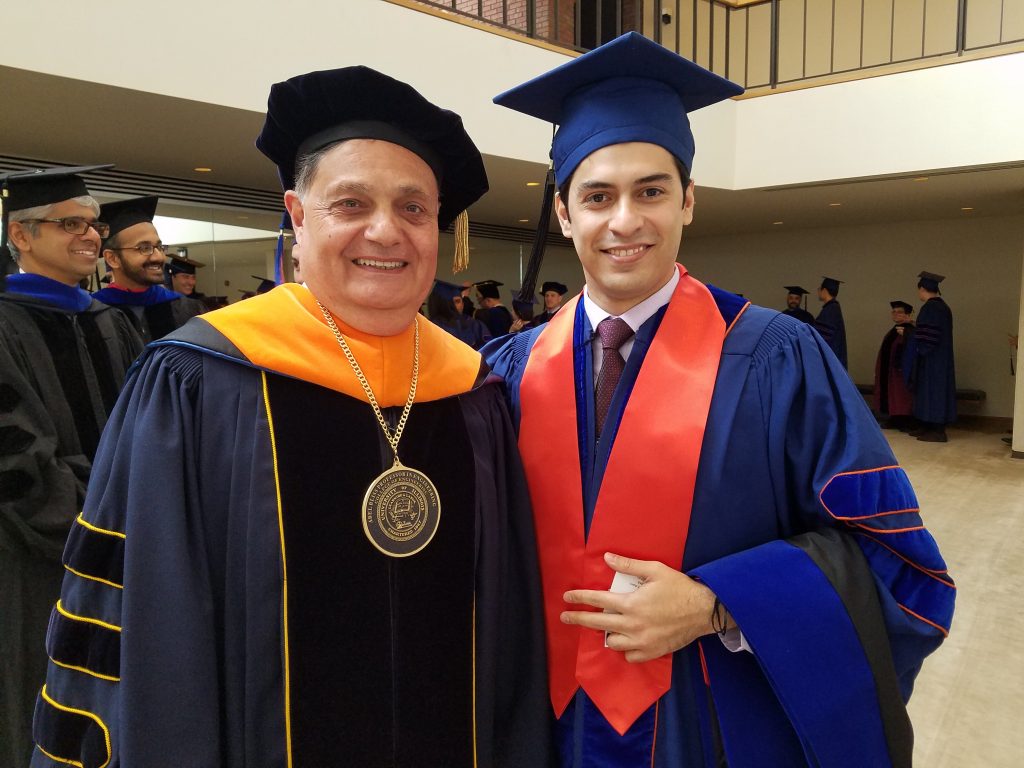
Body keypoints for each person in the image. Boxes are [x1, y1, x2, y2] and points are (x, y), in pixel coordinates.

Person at [30, 67, 553, 768]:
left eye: (413, 208)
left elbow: (510, 629)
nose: (384, 230)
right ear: (298, 218)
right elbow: (137, 625)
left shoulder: (473, 392)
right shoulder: (198, 380)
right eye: (350, 203)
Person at [485, 32, 953, 767]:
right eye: (598, 195)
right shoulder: (507, 373)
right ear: (566, 213)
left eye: (652, 191)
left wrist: (720, 604)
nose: (626, 220)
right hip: (541, 732)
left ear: (689, 200)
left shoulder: (778, 358)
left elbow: (899, 564)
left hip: (709, 729)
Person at [0, 165, 143, 767]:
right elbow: (15, 451)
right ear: (22, 235)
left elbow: (151, 429)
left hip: (128, 536)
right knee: (43, 679)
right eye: (70, 224)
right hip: (41, 547)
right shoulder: (5, 321)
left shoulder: (112, 320)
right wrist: (90, 520)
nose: (89, 236)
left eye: (93, 224)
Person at [92, 196, 203, 341]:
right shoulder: (92, 312)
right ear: (112, 258)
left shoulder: (186, 308)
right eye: (144, 248)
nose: (159, 257)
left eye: (159, 247)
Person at [908, 271, 956, 442]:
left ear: (922, 289)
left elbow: (929, 335)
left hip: (932, 358)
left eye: (919, 290)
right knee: (928, 392)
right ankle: (927, 425)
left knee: (933, 392)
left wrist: (920, 349)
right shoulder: (943, 307)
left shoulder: (931, 307)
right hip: (939, 357)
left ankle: (937, 430)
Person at [874, 300, 916, 430]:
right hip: (888, 371)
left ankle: (904, 420)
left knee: (902, 395)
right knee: (892, 395)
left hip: (901, 371)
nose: (895, 314)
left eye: (899, 312)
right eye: (894, 312)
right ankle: (893, 418)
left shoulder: (909, 331)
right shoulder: (893, 331)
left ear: (907, 315)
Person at [427, 279, 492, 349]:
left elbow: (489, 351)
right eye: (450, 302)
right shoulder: (430, 328)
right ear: (442, 304)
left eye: (458, 301)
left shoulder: (475, 326)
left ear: (463, 303)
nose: (453, 306)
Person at [814, 276, 847, 368]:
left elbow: (821, 339)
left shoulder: (830, 310)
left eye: (819, 289)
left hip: (830, 363)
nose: (818, 292)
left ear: (824, 290)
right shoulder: (834, 308)